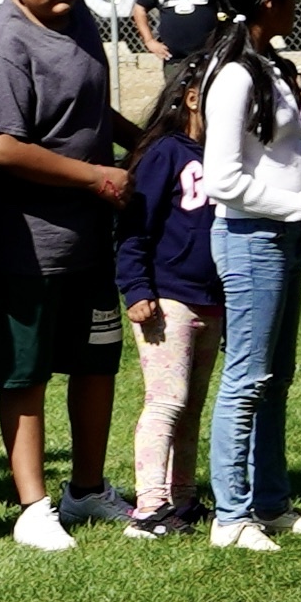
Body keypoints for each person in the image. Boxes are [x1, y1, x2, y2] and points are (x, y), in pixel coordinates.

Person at [0, 0, 133, 548]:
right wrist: (96, 177)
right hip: (24, 246)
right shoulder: (2, 49)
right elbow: (0, 145)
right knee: (26, 374)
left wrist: (140, 142)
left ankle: (88, 490)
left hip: (92, 236)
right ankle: (34, 507)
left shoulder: (78, 15)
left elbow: (87, 105)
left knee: (96, 362)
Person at [182, 0, 301, 552]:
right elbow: (222, 180)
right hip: (252, 243)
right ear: (265, 0)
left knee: (276, 378)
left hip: (282, 239)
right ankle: (232, 516)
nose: (297, 2)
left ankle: (271, 504)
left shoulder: (267, 66)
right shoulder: (234, 77)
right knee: (247, 378)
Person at [111, 59, 220, 541]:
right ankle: (148, 505)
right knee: (166, 400)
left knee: (193, 403)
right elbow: (135, 226)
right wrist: (137, 288)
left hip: (212, 299)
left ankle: (182, 496)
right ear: (193, 97)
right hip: (166, 298)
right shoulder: (165, 154)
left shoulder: (226, 154)